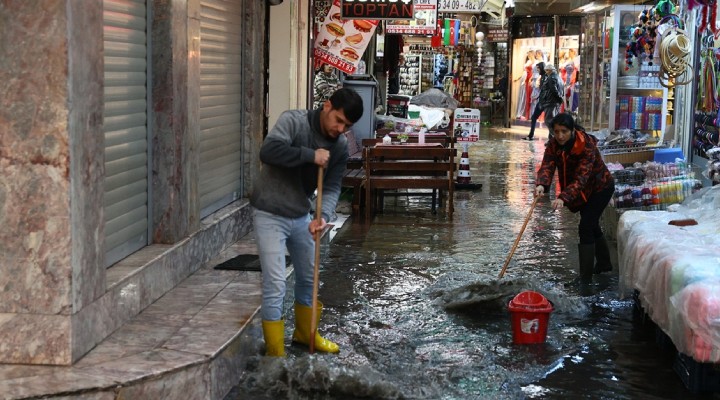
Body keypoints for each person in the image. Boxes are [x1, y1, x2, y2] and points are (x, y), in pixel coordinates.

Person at [251, 88, 363, 356]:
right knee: (276, 281)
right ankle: (275, 350)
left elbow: (334, 185)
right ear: (327, 106)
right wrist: (310, 156)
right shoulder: (294, 121)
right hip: (269, 211)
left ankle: (305, 334)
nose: (340, 128)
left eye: (346, 126)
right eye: (338, 120)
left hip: (301, 214)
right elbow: (269, 151)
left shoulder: (338, 146)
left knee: (310, 276)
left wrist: (322, 216)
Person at [534, 113, 615, 284]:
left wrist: (563, 197)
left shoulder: (586, 147)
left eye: (564, 131)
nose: (560, 136)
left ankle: (585, 278)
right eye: (556, 132)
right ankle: (604, 264)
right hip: (583, 191)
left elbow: (581, 179)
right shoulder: (554, 145)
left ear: (572, 130)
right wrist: (542, 184)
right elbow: (547, 164)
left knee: (585, 226)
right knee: (591, 225)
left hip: (601, 187)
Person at [524, 63, 563, 141]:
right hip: (545, 101)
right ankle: (534, 135)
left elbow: (552, 90)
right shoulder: (549, 77)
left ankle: (551, 139)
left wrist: (559, 98)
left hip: (546, 102)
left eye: (538, 68)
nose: (537, 70)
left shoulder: (549, 77)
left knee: (549, 120)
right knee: (546, 119)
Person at [523, 61, 546, 140]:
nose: (538, 71)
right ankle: (531, 135)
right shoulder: (543, 77)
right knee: (534, 117)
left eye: (538, 69)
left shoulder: (544, 78)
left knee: (536, 118)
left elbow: (544, 90)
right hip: (543, 101)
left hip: (543, 101)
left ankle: (531, 135)